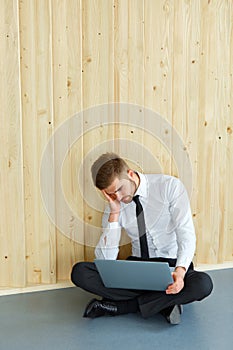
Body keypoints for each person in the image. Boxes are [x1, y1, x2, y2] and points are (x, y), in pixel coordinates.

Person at [71, 153, 213, 324]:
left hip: (172, 266)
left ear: (130, 174)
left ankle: (123, 307)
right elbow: (105, 261)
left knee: (203, 284)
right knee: (80, 272)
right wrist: (114, 214)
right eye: (111, 194)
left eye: (119, 189)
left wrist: (181, 273)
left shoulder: (169, 187)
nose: (118, 197)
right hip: (137, 267)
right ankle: (164, 304)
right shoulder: (114, 207)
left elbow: (186, 234)